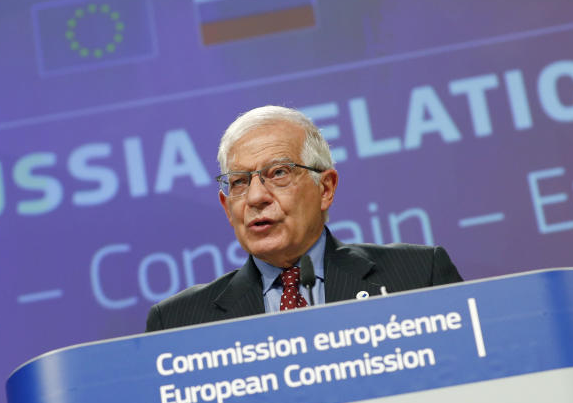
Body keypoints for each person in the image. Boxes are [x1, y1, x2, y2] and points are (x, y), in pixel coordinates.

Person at [145, 105, 462, 332]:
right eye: (240, 182)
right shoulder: (178, 323)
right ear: (227, 207)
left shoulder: (419, 278)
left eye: (278, 173)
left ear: (325, 188)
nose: (256, 197)